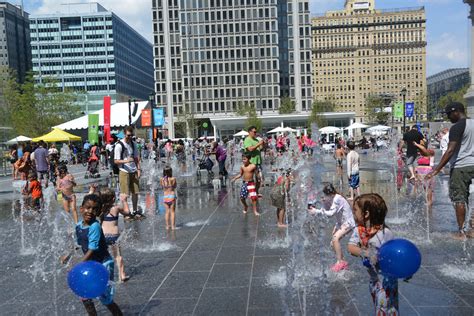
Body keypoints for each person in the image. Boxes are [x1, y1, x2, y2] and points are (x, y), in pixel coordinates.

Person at [426, 102, 474, 239]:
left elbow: (450, 150)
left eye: (448, 114)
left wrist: (436, 169)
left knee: (459, 198)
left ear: (456, 112)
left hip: (461, 166)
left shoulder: (457, 127)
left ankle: (461, 231)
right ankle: (472, 228)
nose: (448, 118)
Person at [347, 193, 397, 315]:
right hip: (373, 280)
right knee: (380, 310)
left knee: (387, 311)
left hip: (386, 282)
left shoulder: (385, 233)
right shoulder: (360, 230)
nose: (353, 214)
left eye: (355, 211)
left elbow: (394, 258)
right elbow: (350, 247)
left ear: (366, 214)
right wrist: (365, 252)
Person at [73, 194, 123, 316]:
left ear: (99, 211)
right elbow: (78, 243)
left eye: (94, 209)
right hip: (91, 264)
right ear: (81, 208)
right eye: (87, 207)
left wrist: (80, 264)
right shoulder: (79, 226)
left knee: (105, 297)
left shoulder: (95, 226)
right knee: (84, 295)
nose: (90, 211)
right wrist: (68, 255)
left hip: (103, 264)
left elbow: (92, 249)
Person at [309, 183, 355, 272]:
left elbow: (330, 214)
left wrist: (316, 211)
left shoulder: (337, 198)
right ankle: (343, 261)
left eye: (323, 196)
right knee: (333, 243)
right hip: (341, 223)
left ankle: (340, 262)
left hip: (348, 223)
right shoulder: (330, 198)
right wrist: (323, 203)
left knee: (335, 238)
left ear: (329, 194)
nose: (322, 198)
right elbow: (326, 210)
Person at [99, 187, 131, 282]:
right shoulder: (116, 208)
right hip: (114, 236)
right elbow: (127, 213)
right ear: (113, 199)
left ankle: (102, 273)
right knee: (118, 255)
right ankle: (122, 275)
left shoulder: (100, 209)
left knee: (103, 256)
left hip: (103, 236)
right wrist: (124, 200)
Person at [114, 126, 142, 218]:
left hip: (133, 171)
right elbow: (116, 161)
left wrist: (139, 169)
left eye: (131, 135)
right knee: (124, 194)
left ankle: (134, 211)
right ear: (124, 134)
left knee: (135, 192)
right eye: (128, 135)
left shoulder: (133, 144)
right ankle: (127, 213)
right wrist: (126, 161)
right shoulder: (119, 145)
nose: (130, 137)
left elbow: (136, 158)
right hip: (124, 171)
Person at [243, 126, 265, 196]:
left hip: (258, 162)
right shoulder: (247, 140)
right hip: (251, 162)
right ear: (249, 132)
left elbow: (260, 148)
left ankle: (256, 192)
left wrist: (263, 144)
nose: (255, 133)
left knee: (258, 179)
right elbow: (250, 149)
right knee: (250, 179)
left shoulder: (256, 140)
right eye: (254, 132)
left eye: (256, 132)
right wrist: (258, 144)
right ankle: (251, 193)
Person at [413, 140, 435, 207]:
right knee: (423, 188)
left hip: (426, 171)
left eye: (421, 144)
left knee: (428, 188)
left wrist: (416, 144)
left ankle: (430, 202)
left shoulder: (428, 152)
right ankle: (427, 201)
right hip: (420, 171)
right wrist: (415, 171)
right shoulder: (420, 153)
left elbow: (431, 164)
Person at [160, 166, 177, 230]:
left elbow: (162, 186)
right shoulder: (173, 179)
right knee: (172, 212)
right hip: (172, 196)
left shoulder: (162, 179)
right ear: (171, 172)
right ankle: (173, 226)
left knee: (167, 212)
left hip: (165, 197)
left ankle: (167, 226)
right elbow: (175, 186)